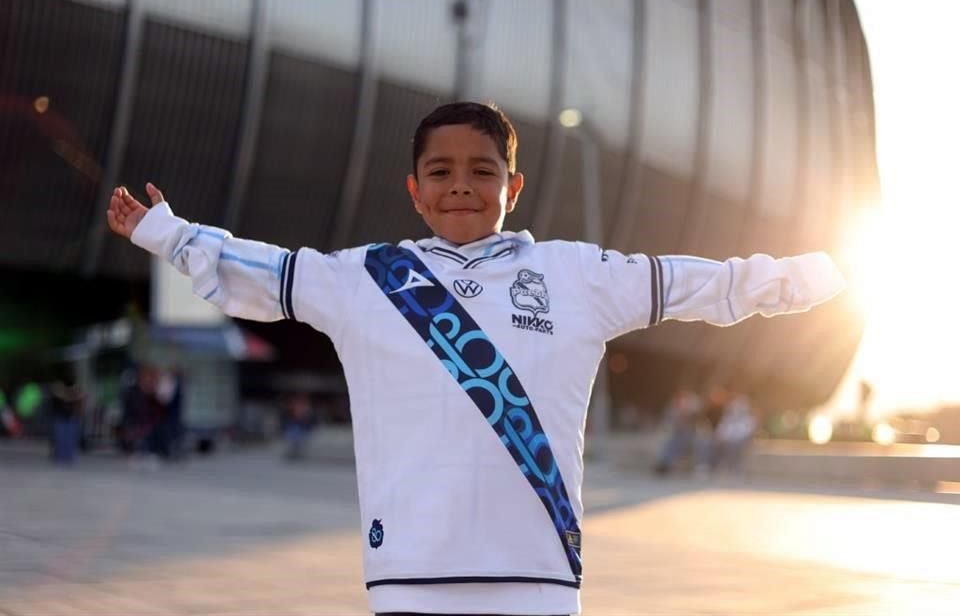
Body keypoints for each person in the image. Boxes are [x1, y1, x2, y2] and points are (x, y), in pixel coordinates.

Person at [106, 102, 844, 616]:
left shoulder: (576, 275)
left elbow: (702, 284)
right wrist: (169, 235)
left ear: (513, 187)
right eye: (441, 170)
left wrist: (811, 277)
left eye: (483, 170)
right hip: (411, 574)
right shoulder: (367, 277)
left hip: (538, 574)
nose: (461, 182)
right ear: (415, 191)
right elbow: (264, 274)